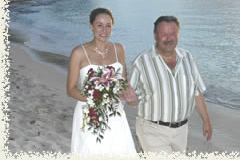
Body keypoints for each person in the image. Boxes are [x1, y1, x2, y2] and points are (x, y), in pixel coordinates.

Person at [127, 16, 212, 153]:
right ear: (155, 36)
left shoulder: (187, 58)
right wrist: (131, 99)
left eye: (173, 34)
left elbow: (196, 93)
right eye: (164, 35)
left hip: (182, 131)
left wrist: (206, 120)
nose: (169, 38)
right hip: (152, 130)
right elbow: (132, 98)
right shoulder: (141, 63)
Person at [66, 8, 136, 154]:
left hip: (115, 114)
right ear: (91, 26)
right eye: (99, 25)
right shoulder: (79, 52)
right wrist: (97, 100)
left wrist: (129, 95)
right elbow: (71, 89)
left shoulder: (119, 49)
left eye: (108, 25)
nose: (104, 30)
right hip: (90, 114)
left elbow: (122, 82)